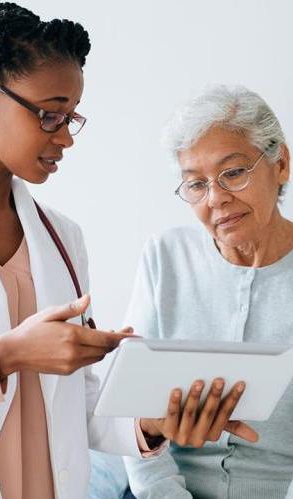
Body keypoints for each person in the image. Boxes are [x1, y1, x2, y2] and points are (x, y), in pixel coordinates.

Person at [0, 6, 257, 498]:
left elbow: (81, 398)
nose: (65, 138)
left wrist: (153, 422)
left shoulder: (63, 237)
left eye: (71, 117)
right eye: (49, 115)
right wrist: (6, 355)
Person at [123, 84, 293, 499]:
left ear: (281, 165)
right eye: (196, 184)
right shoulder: (165, 256)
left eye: (233, 173)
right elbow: (133, 407)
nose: (216, 198)